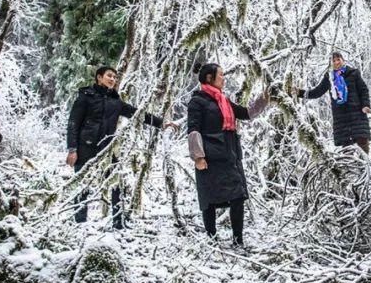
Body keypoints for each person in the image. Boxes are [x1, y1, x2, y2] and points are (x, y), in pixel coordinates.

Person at [66, 65, 176, 227]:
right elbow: (73, 123)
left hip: (108, 148)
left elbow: (138, 114)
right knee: (83, 185)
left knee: (116, 183)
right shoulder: (85, 97)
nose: (112, 79)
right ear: (99, 77)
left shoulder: (115, 102)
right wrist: (72, 149)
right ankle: (79, 223)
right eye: (109, 76)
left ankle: (118, 222)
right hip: (85, 147)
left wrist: (162, 123)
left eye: (115, 77)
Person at [187, 63, 268, 248]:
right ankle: (211, 240)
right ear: (209, 78)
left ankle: (238, 241)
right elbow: (193, 130)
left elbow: (247, 113)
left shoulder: (224, 100)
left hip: (230, 154)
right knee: (209, 199)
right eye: (221, 75)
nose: (224, 78)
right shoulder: (197, 101)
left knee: (238, 196)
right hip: (210, 156)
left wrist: (266, 97)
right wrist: (198, 157)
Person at [297, 51, 371, 153]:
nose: (336, 62)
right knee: (347, 149)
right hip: (341, 118)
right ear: (331, 63)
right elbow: (317, 92)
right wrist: (299, 93)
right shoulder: (329, 78)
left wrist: (365, 105)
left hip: (357, 114)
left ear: (343, 60)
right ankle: (350, 168)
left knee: (362, 143)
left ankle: (366, 167)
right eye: (334, 60)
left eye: (338, 59)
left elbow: (363, 90)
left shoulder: (353, 73)